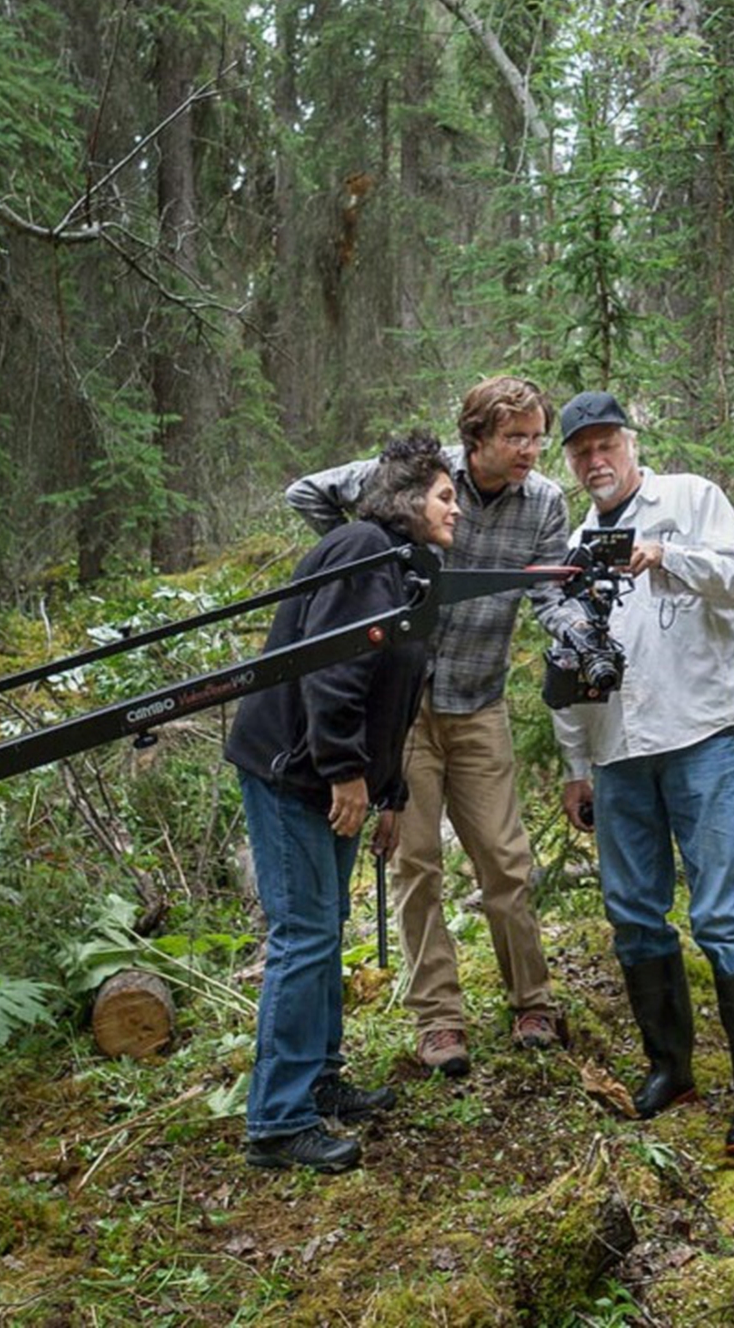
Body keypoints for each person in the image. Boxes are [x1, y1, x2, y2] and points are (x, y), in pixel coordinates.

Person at [285, 377, 583, 1076]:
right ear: (476, 438)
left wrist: (576, 634)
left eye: (538, 436)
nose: (531, 451)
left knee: (505, 859)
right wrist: (372, 562)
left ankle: (532, 1000)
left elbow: (548, 590)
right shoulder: (425, 480)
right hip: (406, 710)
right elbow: (307, 492)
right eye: (516, 437)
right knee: (416, 863)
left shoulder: (543, 502)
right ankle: (439, 1020)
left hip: (479, 702)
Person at [551, 391, 734, 1155]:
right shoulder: (575, 545)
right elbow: (565, 664)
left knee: (723, 910)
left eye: (605, 445)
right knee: (633, 911)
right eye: (581, 452)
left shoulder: (689, 499)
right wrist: (575, 766)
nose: (595, 462)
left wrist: (667, 557)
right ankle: (669, 1068)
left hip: (701, 733)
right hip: (617, 751)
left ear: (630, 443)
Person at [226, 432, 461, 1173]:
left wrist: (388, 792)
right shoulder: (363, 550)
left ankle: (318, 1082)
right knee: (303, 934)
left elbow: (391, 695)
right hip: (295, 770)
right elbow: (333, 673)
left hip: (327, 770)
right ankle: (276, 1121)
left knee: (325, 927)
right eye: (446, 496)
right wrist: (344, 773)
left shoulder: (396, 568)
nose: (457, 510)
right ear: (407, 498)